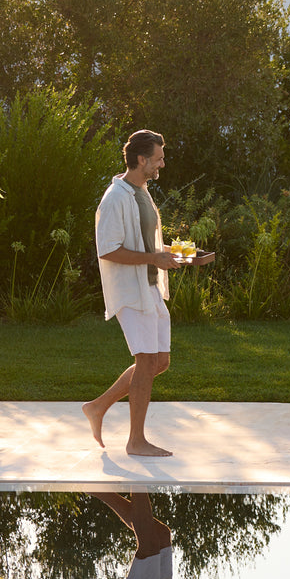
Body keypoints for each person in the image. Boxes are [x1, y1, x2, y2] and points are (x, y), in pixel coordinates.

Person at [82, 130, 214, 457]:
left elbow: (149, 245)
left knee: (160, 361)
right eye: (158, 158)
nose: (162, 164)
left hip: (151, 286)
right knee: (145, 361)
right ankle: (135, 441)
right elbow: (108, 250)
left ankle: (98, 407)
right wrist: (154, 258)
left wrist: (183, 253)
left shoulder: (141, 193)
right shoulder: (114, 198)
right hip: (131, 291)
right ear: (141, 160)